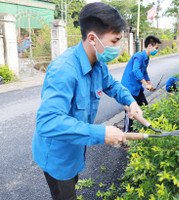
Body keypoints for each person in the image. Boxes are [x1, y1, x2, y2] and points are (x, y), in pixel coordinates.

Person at [32, 3, 143, 200]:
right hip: (58, 156)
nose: (117, 47)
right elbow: (48, 122)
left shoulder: (98, 64)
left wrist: (131, 103)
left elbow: (112, 85)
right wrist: (102, 133)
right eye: (115, 41)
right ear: (92, 38)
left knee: (73, 183)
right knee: (65, 195)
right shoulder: (64, 70)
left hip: (75, 148)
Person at [121, 35, 161, 132]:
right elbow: (136, 70)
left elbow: (144, 72)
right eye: (156, 48)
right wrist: (145, 84)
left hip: (137, 88)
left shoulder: (146, 58)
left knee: (144, 107)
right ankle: (127, 135)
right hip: (129, 87)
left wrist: (149, 84)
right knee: (130, 113)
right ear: (149, 46)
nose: (157, 50)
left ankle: (140, 128)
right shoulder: (139, 56)